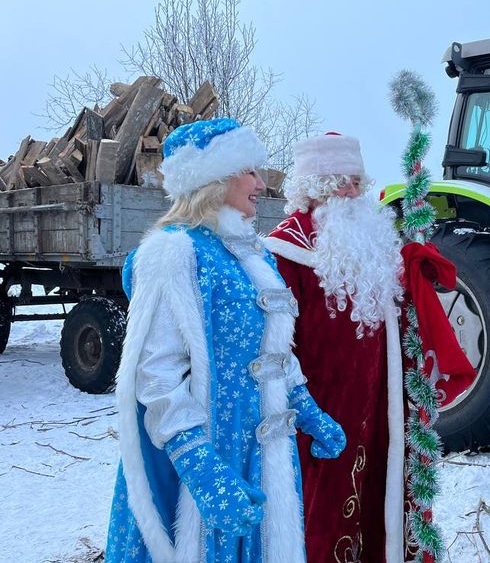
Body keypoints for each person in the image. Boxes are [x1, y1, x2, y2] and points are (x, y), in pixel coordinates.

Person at [105, 118, 346, 563]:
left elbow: (274, 350)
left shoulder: (252, 254)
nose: (260, 182)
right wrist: (201, 468)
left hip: (263, 450)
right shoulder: (174, 252)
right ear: (214, 178)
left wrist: (306, 407)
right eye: (250, 171)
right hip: (212, 454)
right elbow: (155, 374)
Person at [264, 132, 410, 562]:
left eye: (355, 182)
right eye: (338, 182)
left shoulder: (371, 238)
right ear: (314, 187)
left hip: (372, 399)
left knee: (369, 490)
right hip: (318, 401)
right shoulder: (287, 247)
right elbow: (275, 338)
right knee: (321, 503)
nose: (350, 192)